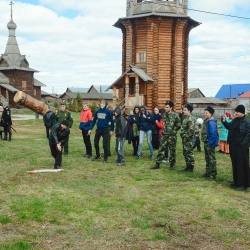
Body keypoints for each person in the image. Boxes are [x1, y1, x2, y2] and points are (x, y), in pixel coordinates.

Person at [222, 104, 250, 191]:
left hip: (241, 146)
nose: (236, 113)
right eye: (236, 111)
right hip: (233, 145)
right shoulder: (235, 120)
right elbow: (230, 127)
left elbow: (248, 134)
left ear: (242, 113)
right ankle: (236, 181)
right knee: (235, 163)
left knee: (241, 165)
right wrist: (224, 121)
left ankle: (243, 184)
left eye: (238, 112)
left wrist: (243, 144)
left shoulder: (246, 121)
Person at [151, 100, 181, 170]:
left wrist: (173, 131)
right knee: (161, 149)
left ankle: (172, 164)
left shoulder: (175, 115)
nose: (165, 108)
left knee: (172, 151)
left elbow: (178, 125)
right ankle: (157, 163)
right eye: (165, 107)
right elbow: (162, 124)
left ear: (171, 108)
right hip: (164, 135)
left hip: (172, 136)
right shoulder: (163, 115)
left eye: (167, 107)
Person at [201, 106, 219, 180]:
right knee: (207, 157)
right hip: (206, 142)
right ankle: (208, 172)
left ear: (210, 114)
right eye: (204, 113)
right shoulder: (206, 121)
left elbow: (213, 133)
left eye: (206, 113)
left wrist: (211, 143)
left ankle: (212, 174)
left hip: (210, 143)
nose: (205, 114)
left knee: (211, 158)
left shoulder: (211, 122)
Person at [180, 104, 195, 172]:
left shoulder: (190, 119)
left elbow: (191, 130)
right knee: (185, 152)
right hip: (185, 139)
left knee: (189, 152)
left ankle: (191, 167)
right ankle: (187, 166)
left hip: (188, 139)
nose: (183, 111)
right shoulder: (185, 118)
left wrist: (185, 136)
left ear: (189, 111)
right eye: (183, 110)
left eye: (185, 110)